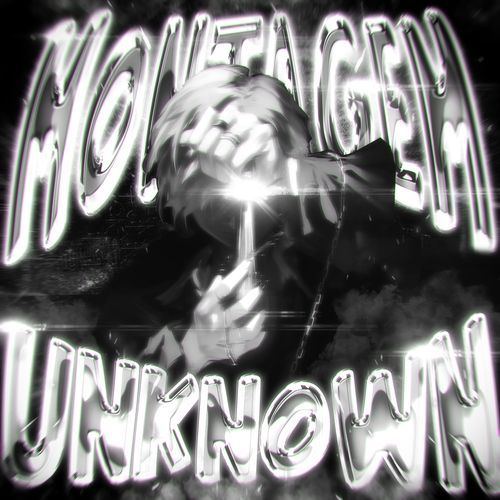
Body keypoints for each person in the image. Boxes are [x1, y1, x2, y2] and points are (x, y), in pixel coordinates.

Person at [95, 65, 399, 388]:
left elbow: (381, 201)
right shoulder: (155, 280)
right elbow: (124, 384)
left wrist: (288, 170)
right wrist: (194, 350)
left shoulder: (319, 229)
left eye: (252, 169)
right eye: (209, 187)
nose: (235, 211)